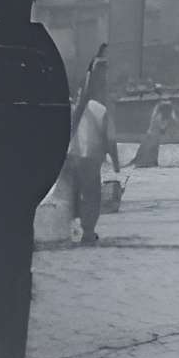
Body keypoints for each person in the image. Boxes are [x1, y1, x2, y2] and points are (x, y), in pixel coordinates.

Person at [66, 85, 119, 246]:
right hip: (91, 158)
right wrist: (115, 162)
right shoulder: (100, 109)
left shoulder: (70, 108)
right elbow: (110, 139)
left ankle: (71, 230)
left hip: (71, 157)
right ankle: (88, 232)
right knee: (91, 196)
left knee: (71, 195)